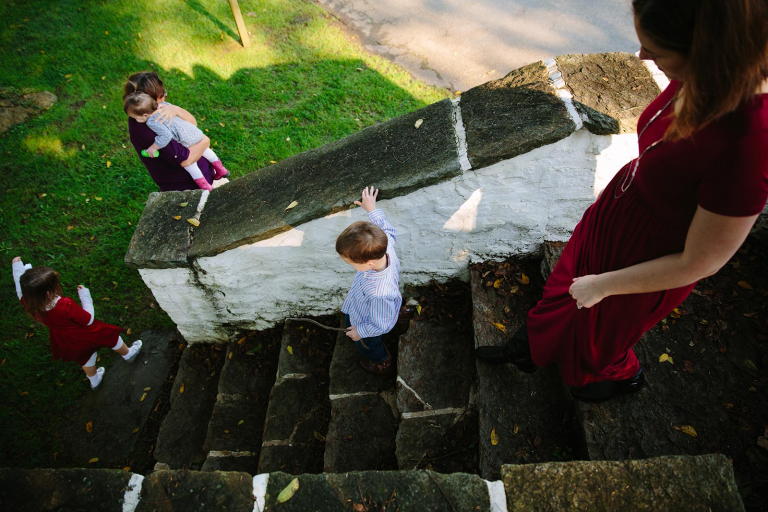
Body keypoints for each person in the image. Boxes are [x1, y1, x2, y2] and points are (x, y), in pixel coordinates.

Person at [477, 0, 768, 402]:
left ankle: (618, 376)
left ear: (710, 54)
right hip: (620, 211)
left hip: (651, 255)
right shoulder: (708, 78)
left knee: (598, 336)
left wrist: (605, 286)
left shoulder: (749, 142)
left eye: (656, 51)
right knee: (563, 287)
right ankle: (533, 346)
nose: (642, 57)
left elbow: (700, 262)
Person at [12, 257, 143, 390]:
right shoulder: (64, 305)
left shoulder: (28, 305)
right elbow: (88, 319)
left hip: (68, 340)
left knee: (86, 359)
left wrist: (16, 266)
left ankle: (95, 381)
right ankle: (129, 354)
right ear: (48, 293)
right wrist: (85, 295)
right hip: (88, 332)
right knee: (112, 337)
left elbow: (19, 289)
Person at [336, 187, 402, 375]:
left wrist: (362, 332)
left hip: (367, 321)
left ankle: (382, 359)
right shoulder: (385, 244)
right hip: (361, 305)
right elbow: (387, 229)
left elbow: (381, 324)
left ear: (369, 263)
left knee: (367, 346)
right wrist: (371, 209)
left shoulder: (380, 293)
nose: (349, 265)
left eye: (351, 263)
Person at [123, 71, 217, 192]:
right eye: (161, 95)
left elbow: (193, 123)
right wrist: (205, 140)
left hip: (204, 174)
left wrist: (177, 110)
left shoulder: (161, 109)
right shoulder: (148, 128)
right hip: (189, 188)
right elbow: (185, 160)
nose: (165, 97)